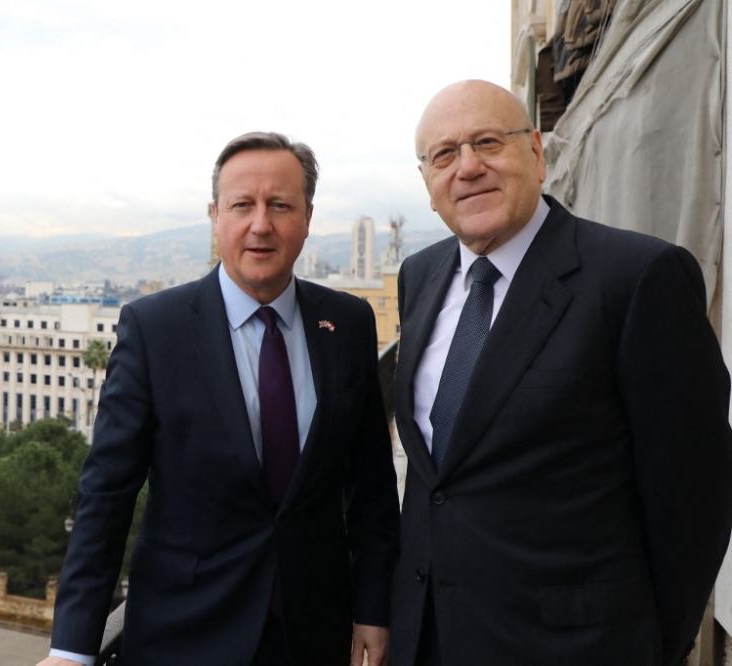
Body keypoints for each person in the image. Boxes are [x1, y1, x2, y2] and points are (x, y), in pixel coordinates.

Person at [389, 79, 732, 666]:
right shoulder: (418, 275)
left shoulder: (637, 277)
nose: (467, 167)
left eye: (488, 142)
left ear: (536, 153)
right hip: (430, 639)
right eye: (444, 154)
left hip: (576, 646)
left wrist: (652, 645)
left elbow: (695, 496)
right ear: (427, 182)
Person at [38, 131, 401, 666]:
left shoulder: (347, 323)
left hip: (317, 635)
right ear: (215, 217)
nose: (261, 224)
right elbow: (107, 496)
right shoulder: (155, 329)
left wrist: (374, 607)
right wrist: (71, 649)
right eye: (242, 205)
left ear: (307, 218)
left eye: (280, 205)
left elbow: (371, 486)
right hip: (185, 635)